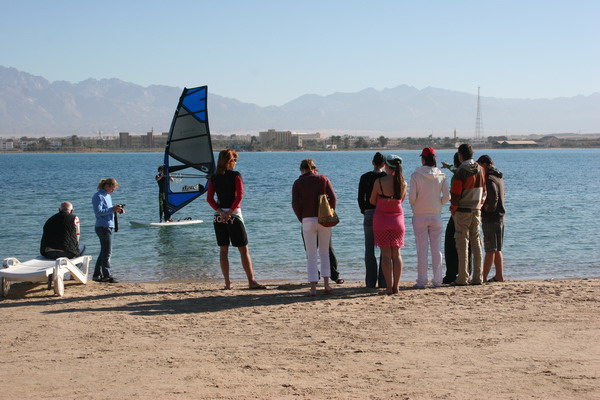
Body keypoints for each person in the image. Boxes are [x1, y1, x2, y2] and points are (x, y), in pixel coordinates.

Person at [206, 149, 265, 290]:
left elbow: (209, 199)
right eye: (235, 160)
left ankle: (227, 283)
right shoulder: (236, 176)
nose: (236, 163)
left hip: (219, 217)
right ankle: (251, 281)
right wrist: (230, 212)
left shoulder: (213, 178)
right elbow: (239, 196)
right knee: (243, 250)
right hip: (234, 216)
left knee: (223, 250)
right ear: (229, 161)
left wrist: (221, 211)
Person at [292, 159, 337, 296]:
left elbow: (295, 204)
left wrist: (302, 218)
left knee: (311, 255)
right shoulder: (323, 179)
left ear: (302, 169)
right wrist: (329, 212)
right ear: (313, 168)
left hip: (307, 219)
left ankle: (313, 288)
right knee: (324, 252)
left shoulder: (298, 183)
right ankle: (327, 285)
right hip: (323, 219)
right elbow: (333, 198)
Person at [409, 147, 449, 288]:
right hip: (436, 215)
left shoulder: (416, 175)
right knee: (436, 249)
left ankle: (422, 280)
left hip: (419, 215)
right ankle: (437, 280)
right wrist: (438, 203)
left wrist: (417, 205)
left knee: (422, 249)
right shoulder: (441, 175)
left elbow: (412, 198)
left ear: (423, 159)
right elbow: (447, 197)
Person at [369, 154, 407, 295]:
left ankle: (389, 287)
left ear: (386, 166)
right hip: (398, 221)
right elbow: (401, 200)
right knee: (396, 254)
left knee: (385, 255)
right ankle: (397, 286)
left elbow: (372, 201)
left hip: (381, 220)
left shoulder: (379, 182)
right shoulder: (403, 183)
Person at [449, 144, 486, 286]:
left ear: (460, 155)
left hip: (462, 210)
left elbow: (456, 193)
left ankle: (463, 277)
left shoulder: (460, 171)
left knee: (462, 243)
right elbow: (484, 190)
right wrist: (479, 205)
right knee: (476, 243)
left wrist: (453, 208)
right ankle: (478, 277)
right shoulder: (480, 170)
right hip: (476, 209)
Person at [357, 152, 387, 288]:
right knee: (384, 248)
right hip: (383, 213)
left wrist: (364, 210)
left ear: (373, 162)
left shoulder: (365, 177)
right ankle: (383, 281)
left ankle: (370, 281)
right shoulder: (386, 177)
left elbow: (360, 198)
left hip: (369, 213)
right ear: (384, 164)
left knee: (369, 249)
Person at [477, 155, 506, 283]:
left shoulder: (489, 179)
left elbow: (493, 197)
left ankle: (482, 277)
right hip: (500, 217)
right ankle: (499, 275)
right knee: (497, 248)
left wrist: (486, 209)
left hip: (491, 218)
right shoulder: (498, 177)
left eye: (479, 166)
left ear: (484, 164)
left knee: (490, 249)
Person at [92, 178, 123, 283]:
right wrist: (112, 209)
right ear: (107, 186)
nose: (113, 191)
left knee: (104, 252)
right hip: (103, 226)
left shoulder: (107, 196)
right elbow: (98, 212)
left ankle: (97, 275)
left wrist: (117, 209)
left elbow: (108, 210)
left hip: (108, 226)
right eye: (112, 188)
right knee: (107, 252)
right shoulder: (98, 196)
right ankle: (106, 275)